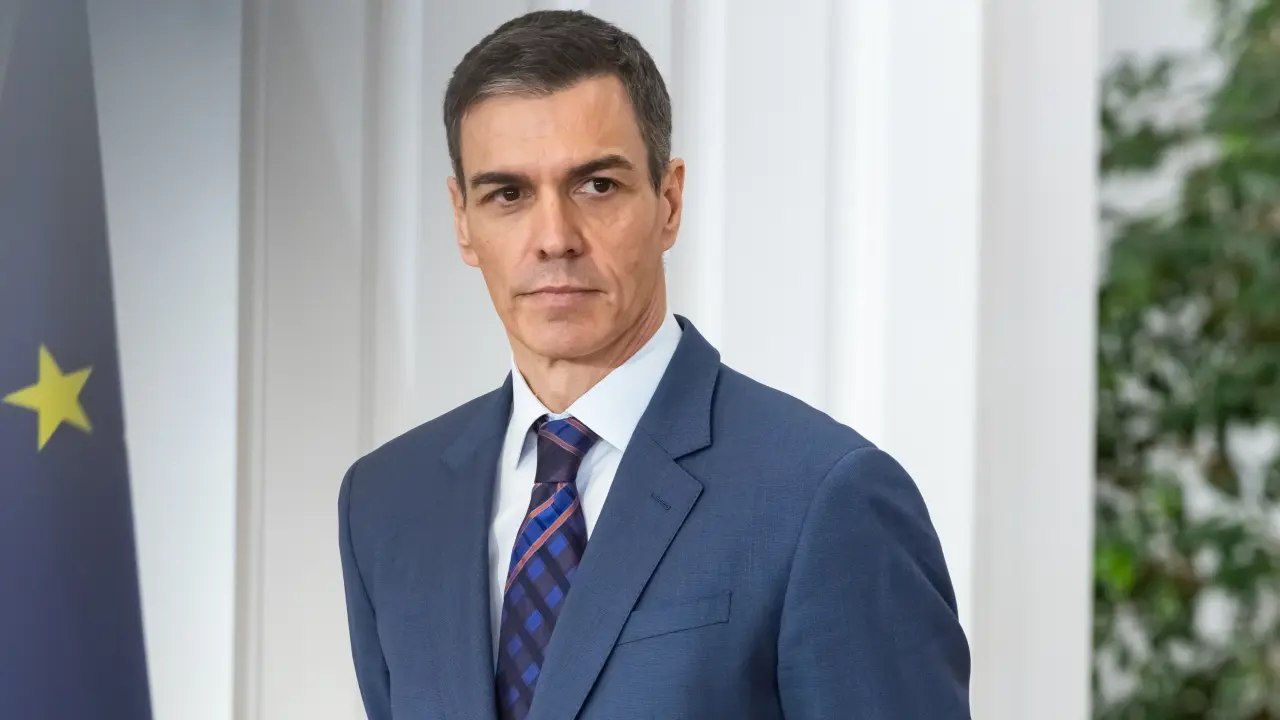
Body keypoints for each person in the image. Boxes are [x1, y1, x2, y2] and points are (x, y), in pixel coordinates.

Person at [337, 9, 971, 720]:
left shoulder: (824, 497)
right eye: (508, 194)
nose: (554, 238)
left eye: (596, 186)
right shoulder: (387, 503)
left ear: (669, 202)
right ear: (462, 220)